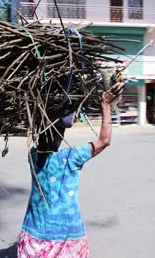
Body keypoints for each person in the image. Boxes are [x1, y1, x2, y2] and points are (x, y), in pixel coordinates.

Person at [17, 82, 125, 258]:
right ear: (59, 136)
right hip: (66, 239)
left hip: (33, 239)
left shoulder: (33, 157)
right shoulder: (68, 158)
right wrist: (105, 106)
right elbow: (105, 140)